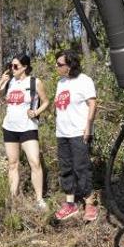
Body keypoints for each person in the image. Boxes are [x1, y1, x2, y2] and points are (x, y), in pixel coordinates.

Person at [0, 54, 50, 209]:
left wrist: (36, 112)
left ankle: (39, 200)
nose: (12, 69)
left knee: (35, 162)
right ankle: (12, 198)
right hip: (9, 128)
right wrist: (1, 82)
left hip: (28, 127)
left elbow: (46, 101)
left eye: (15, 66)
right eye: (11, 65)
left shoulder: (35, 82)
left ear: (25, 67)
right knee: (12, 164)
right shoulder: (9, 83)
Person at [52, 50, 98, 222]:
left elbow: (92, 104)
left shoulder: (84, 81)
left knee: (81, 168)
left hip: (79, 132)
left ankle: (90, 204)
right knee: (66, 169)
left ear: (70, 65)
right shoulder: (61, 83)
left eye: (60, 64)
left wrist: (88, 127)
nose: (56, 67)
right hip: (62, 133)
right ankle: (70, 204)